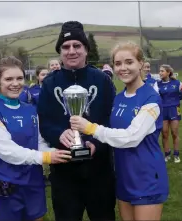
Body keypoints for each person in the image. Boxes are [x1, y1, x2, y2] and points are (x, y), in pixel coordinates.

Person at [70, 42, 169, 221]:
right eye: (118, 63)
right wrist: (93, 141)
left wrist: (91, 128)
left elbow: (132, 137)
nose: (123, 68)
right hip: (124, 176)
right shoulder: (118, 98)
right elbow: (111, 132)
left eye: (129, 62)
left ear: (140, 63)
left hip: (146, 178)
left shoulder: (150, 99)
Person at [38, 21, 116, 221]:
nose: (71, 51)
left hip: (99, 169)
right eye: (65, 47)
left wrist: (95, 143)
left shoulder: (102, 80)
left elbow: (111, 118)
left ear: (86, 50)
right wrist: (58, 134)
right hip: (63, 169)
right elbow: (44, 121)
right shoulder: (49, 83)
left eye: (77, 46)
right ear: (60, 52)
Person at [0, 56, 71, 221]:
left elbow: (38, 143)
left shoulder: (30, 110)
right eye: (9, 79)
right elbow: (7, 151)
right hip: (5, 184)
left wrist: (59, 152)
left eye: (19, 78)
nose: (16, 83)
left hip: (33, 181)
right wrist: (46, 157)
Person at [158, 64, 182, 163]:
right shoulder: (158, 84)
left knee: (174, 132)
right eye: (160, 71)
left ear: (168, 72)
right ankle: (167, 154)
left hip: (174, 109)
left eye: (162, 71)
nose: (160, 73)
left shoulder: (177, 83)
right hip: (163, 110)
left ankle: (176, 154)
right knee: (164, 133)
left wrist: (180, 96)